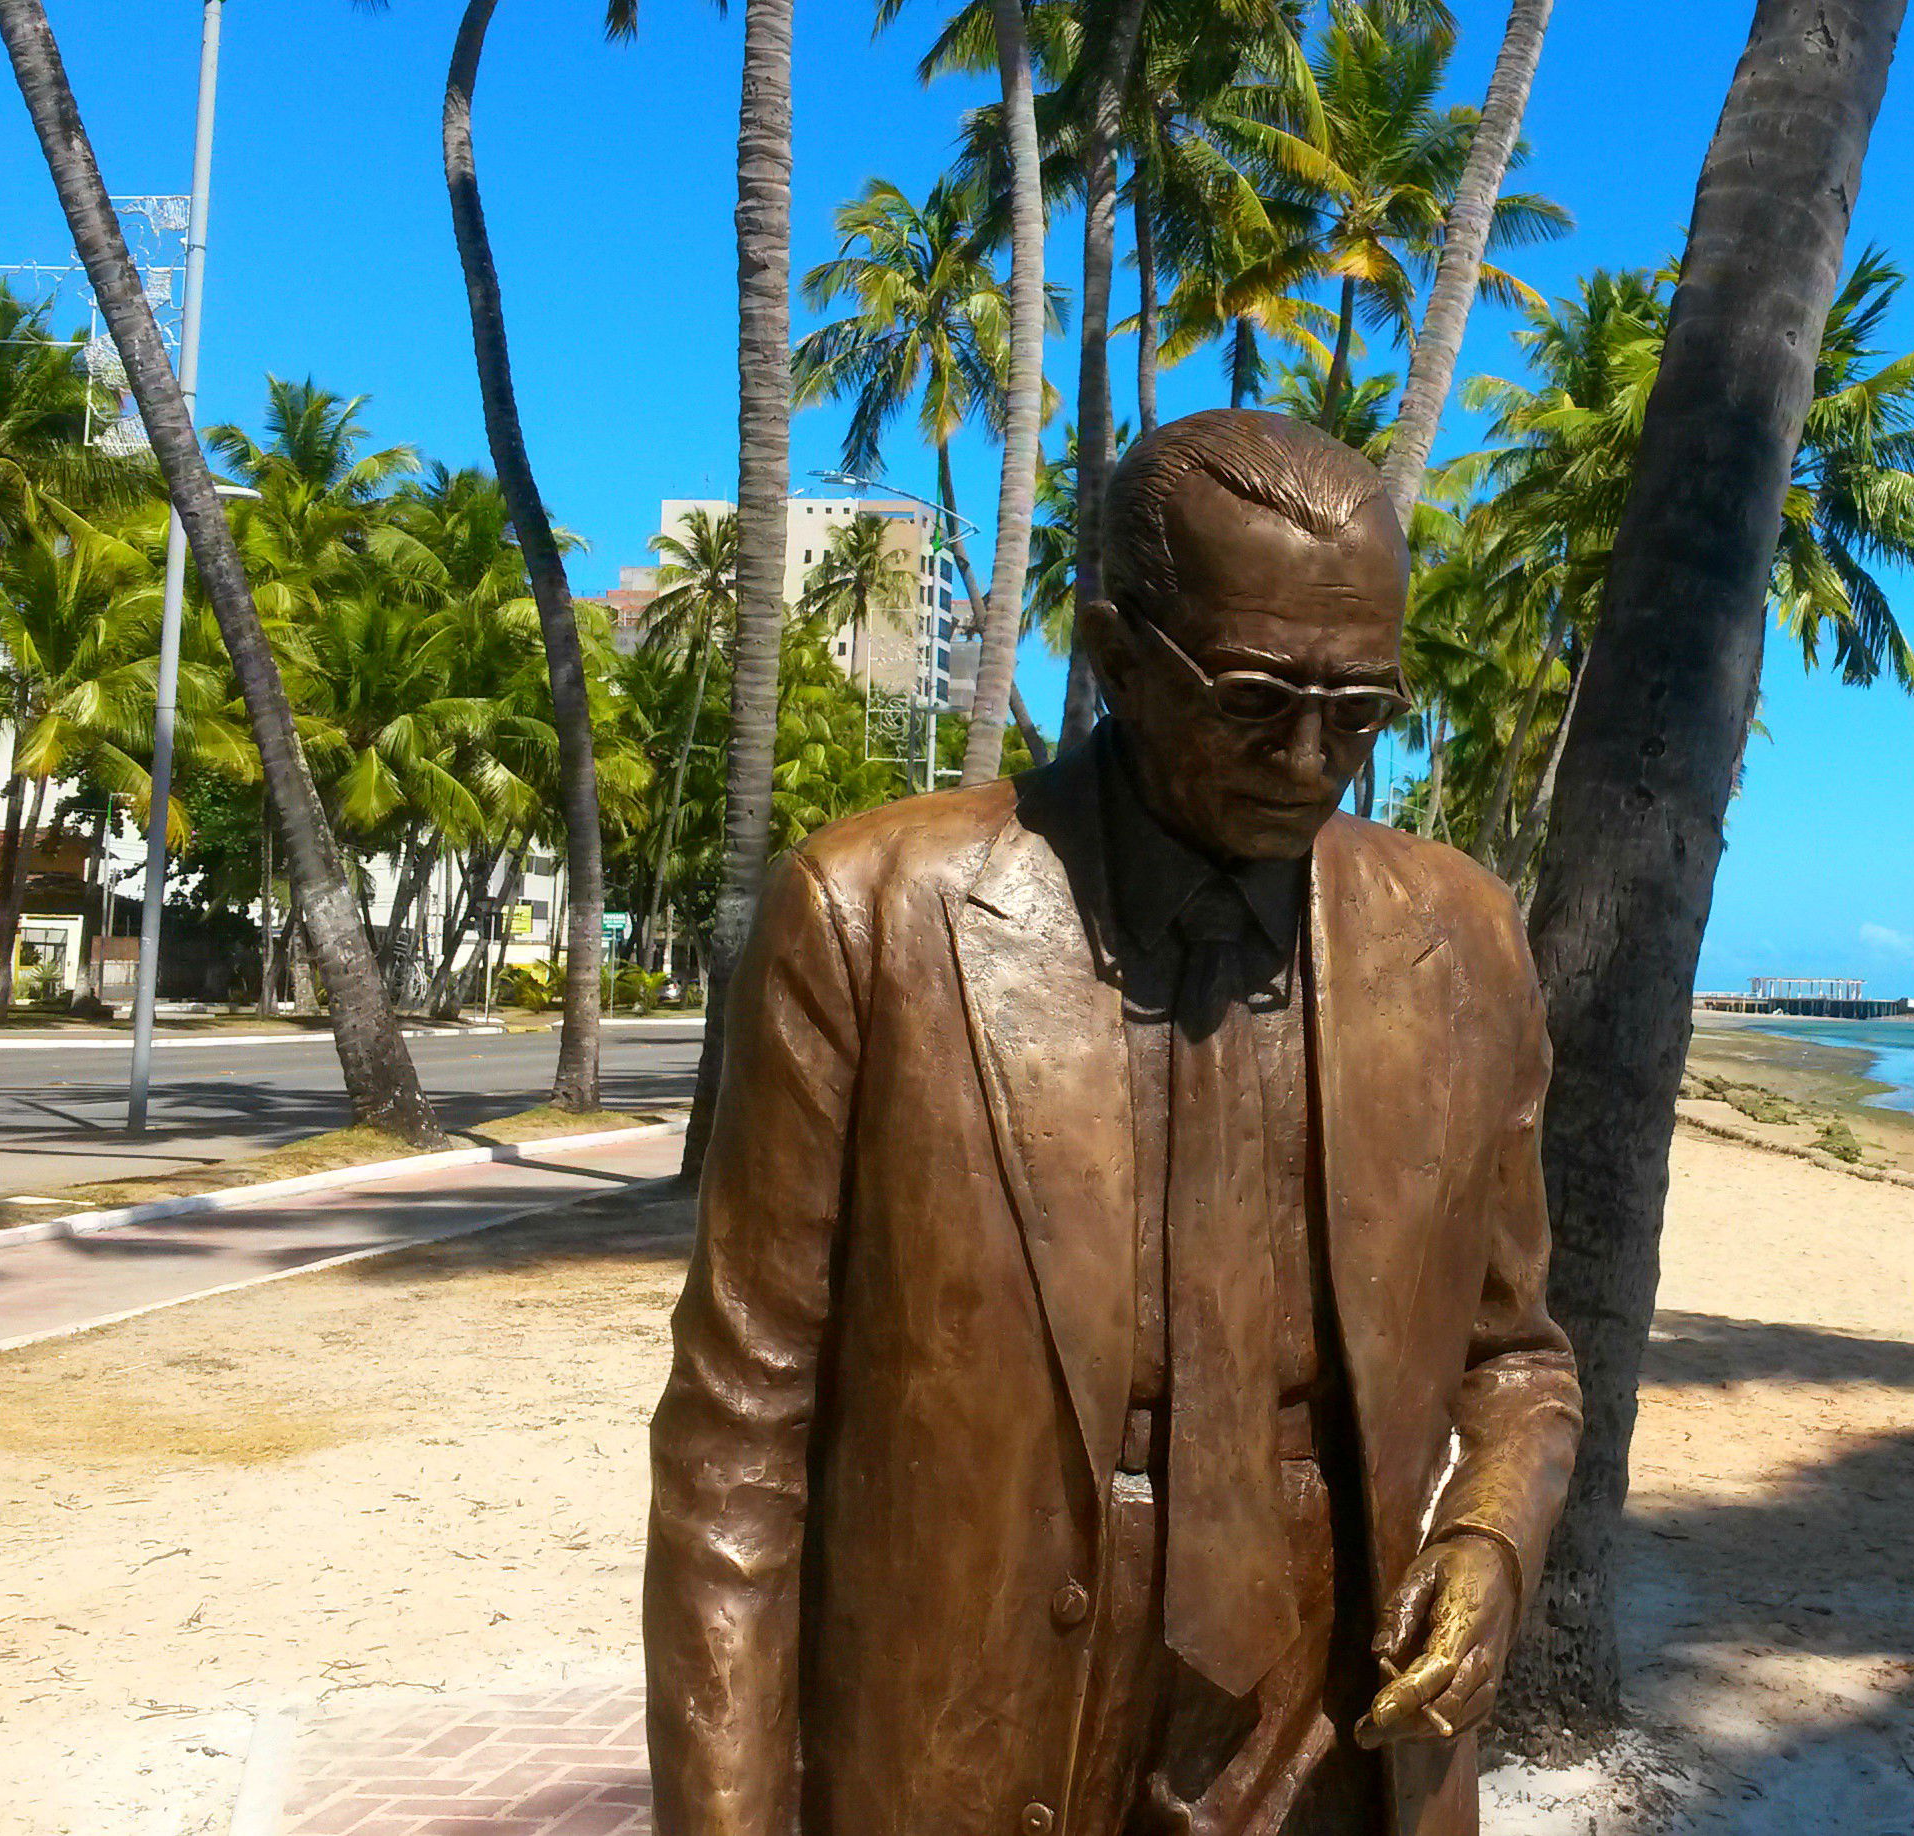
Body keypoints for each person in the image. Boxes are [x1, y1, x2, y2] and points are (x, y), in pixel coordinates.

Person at [645, 410, 1581, 1836]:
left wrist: (1492, 1537)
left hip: (1339, 1688)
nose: (1311, 756)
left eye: (1363, 711)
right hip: (978, 1691)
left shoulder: (1456, 942)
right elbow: (738, 1438)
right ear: (1116, 658)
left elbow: (1517, 1360)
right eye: (1257, 698)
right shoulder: (873, 918)